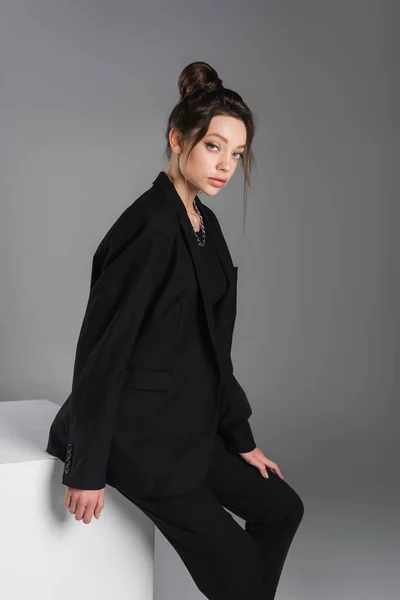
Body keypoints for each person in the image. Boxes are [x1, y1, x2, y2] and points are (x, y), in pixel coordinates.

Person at [46, 61, 304, 599]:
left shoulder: (202, 224)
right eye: (214, 147)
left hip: (186, 424)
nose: (227, 166)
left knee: (281, 508)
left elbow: (212, 346)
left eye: (237, 154)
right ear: (177, 138)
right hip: (137, 439)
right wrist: (86, 468)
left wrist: (241, 439)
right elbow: (102, 350)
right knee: (240, 578)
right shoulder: (149, 227)